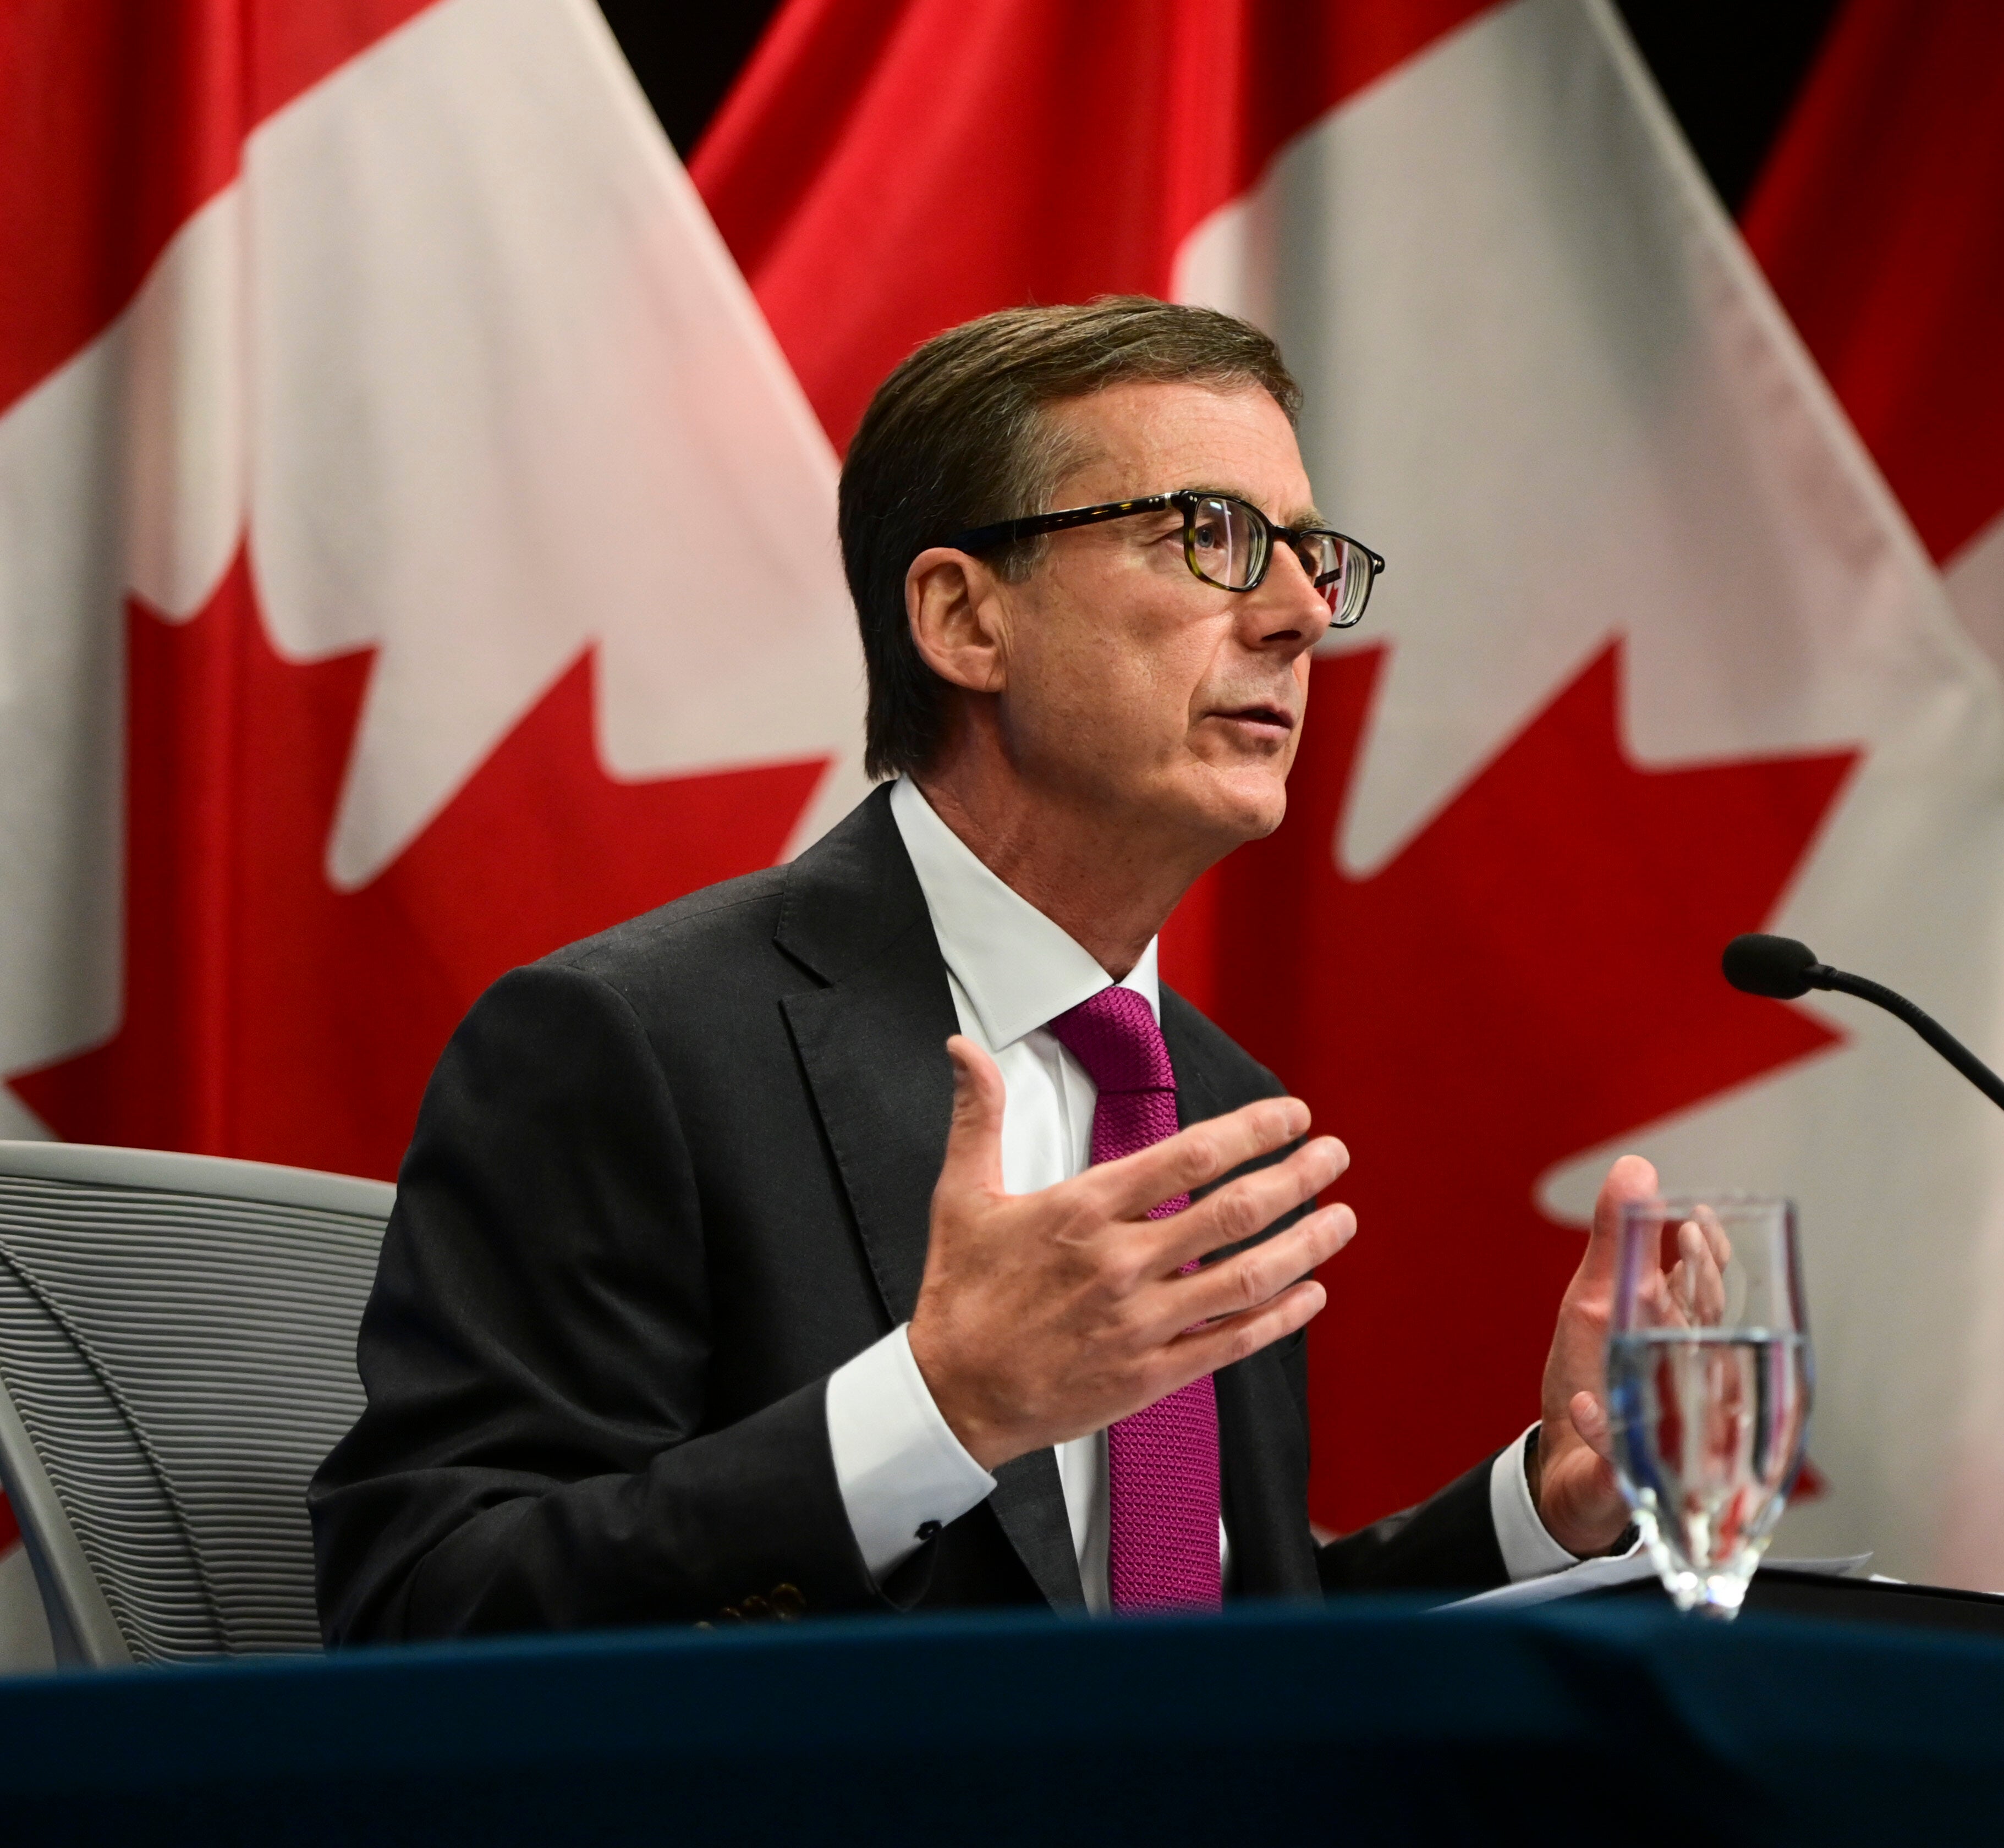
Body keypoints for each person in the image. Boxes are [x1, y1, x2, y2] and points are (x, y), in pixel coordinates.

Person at [309, 297, 1646, 1636]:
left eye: (1306, 554)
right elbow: (428, 1600)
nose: (1300, 615)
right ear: (963, 618)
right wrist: (937, 1408)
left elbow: (1203, 1639)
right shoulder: (634, 1042)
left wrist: (1542, 1507)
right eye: (1209, 535)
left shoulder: (1215, 1101)